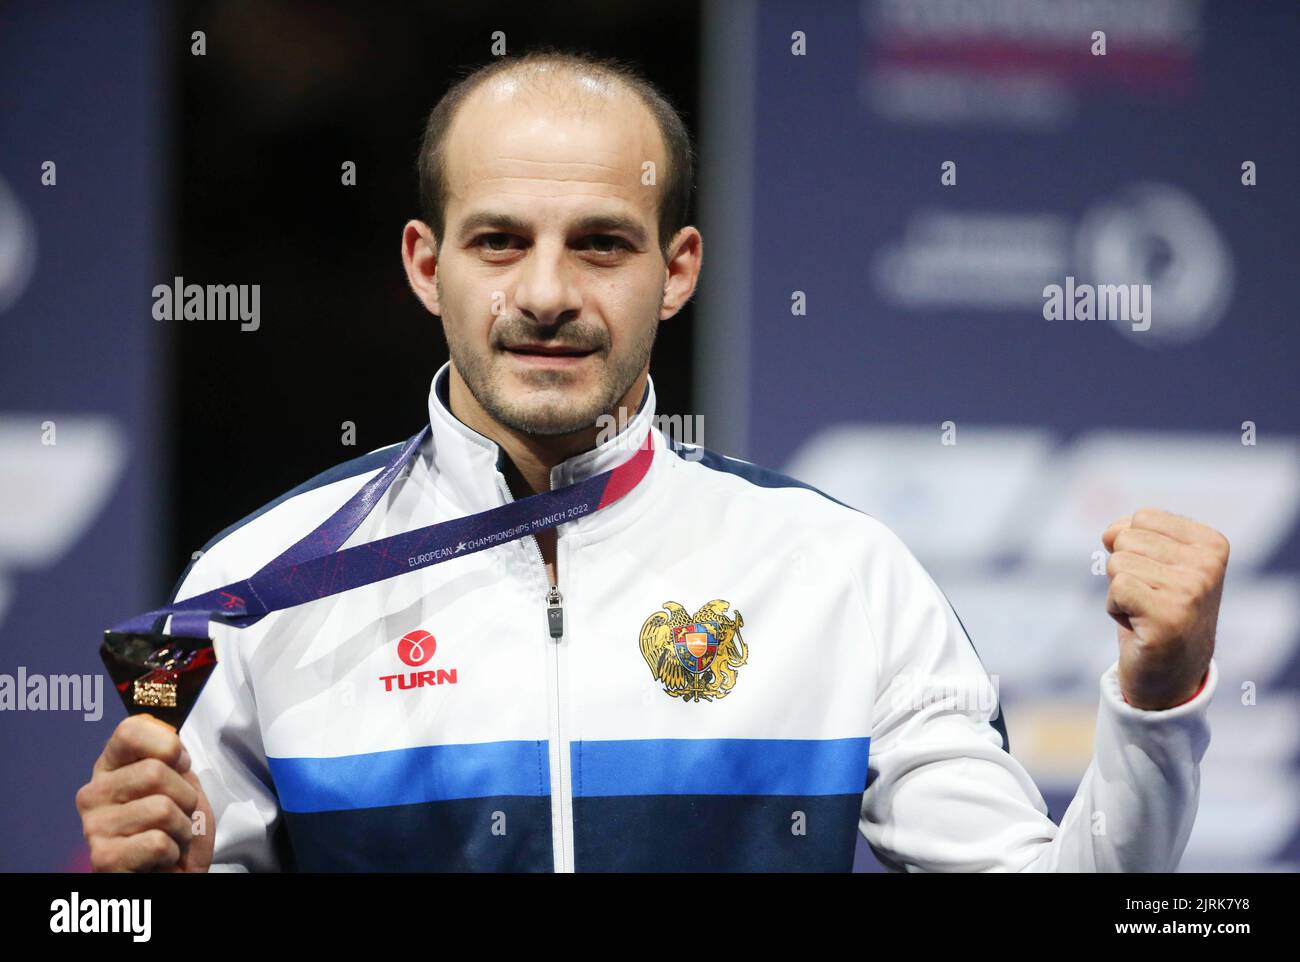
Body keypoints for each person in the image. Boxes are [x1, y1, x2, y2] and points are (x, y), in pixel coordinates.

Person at [75, 49, 1226, 872]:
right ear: (427, 266)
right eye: (499, 241)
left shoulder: (835, 572)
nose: (544, 293)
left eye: (601, 244)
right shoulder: (257, 584)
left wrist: (1156, 703)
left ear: (676, 270)